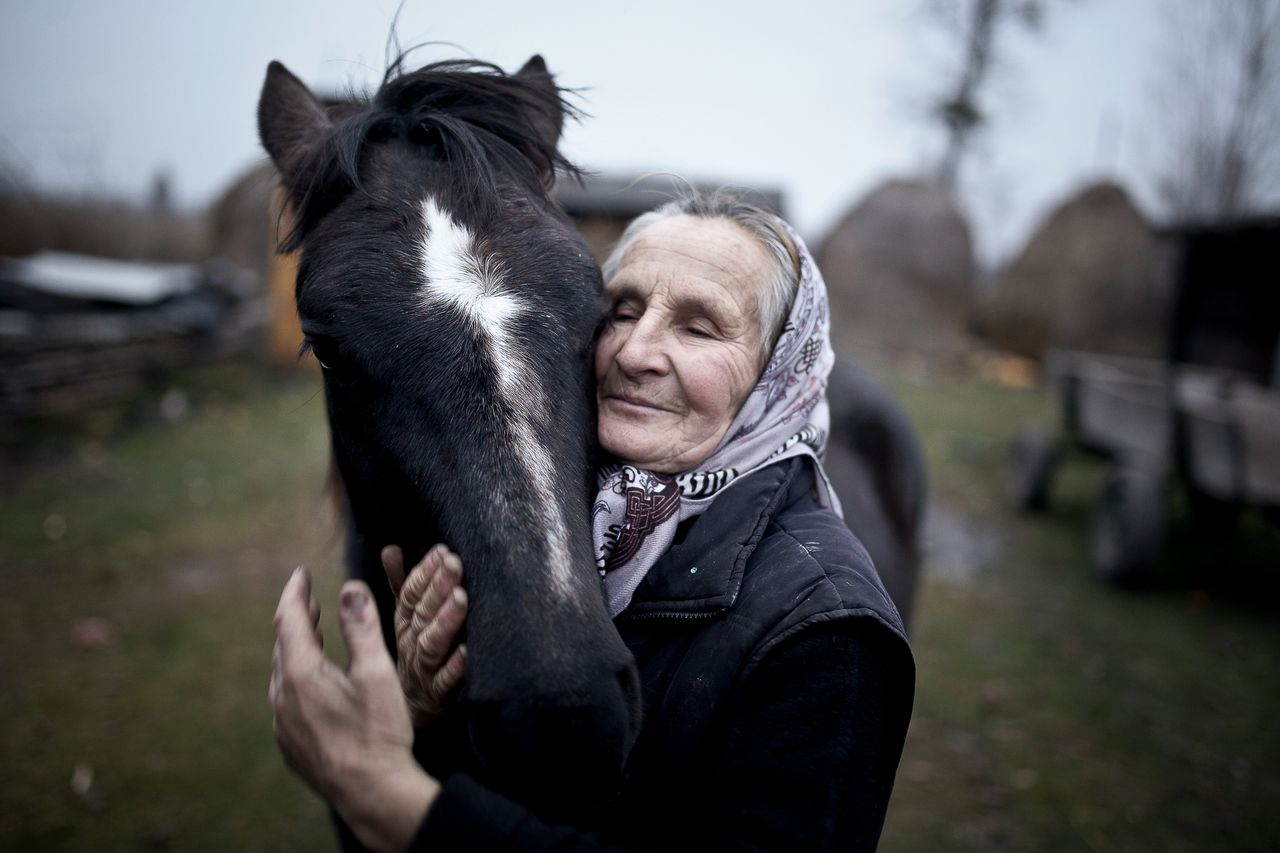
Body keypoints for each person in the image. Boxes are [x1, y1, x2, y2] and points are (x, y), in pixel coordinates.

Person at [269, 191, 915, 852]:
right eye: (623, 310)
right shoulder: (539, 522)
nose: (636, 352)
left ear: (780, 372)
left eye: (698, 327)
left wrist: (394, 804)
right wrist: (429, 721)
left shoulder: (828, 630)